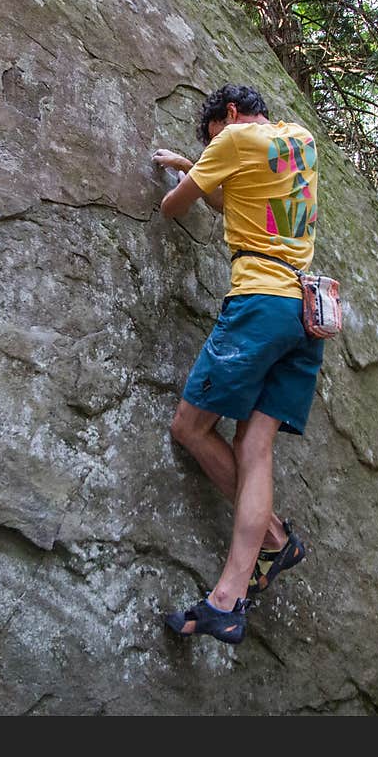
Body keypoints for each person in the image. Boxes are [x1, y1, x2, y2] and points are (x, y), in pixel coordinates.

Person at [152, 84, 324, 645]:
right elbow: (242, 198)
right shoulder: (299, 140)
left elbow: (173, 206)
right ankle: (230, 595)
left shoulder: (234, 139)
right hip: (307, 313)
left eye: (212, 138)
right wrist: (198, 164)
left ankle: (273, 539)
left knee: (190, 426)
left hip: (259, 304)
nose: (214, 146)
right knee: (255, 449)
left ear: (228, 115)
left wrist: (186, 177)